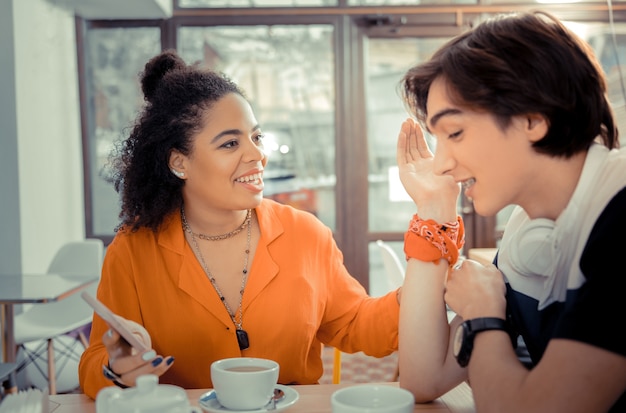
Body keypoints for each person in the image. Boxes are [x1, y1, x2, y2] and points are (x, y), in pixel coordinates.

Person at [78, 49, 402, 399]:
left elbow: (356, 324)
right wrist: (116, 369)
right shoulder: (133, 249)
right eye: (230, 143)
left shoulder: (306, 234)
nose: (257, 155)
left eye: (256, 137)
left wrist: (426, 284)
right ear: (179, 163)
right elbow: (95, 362)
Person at [395, 11, 626, 413]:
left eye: (455, 133)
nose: (440, 164)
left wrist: (485, 316)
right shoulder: (528, 226)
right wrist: (434, 209)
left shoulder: (621, 218)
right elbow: (422, 378)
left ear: (533, 119)